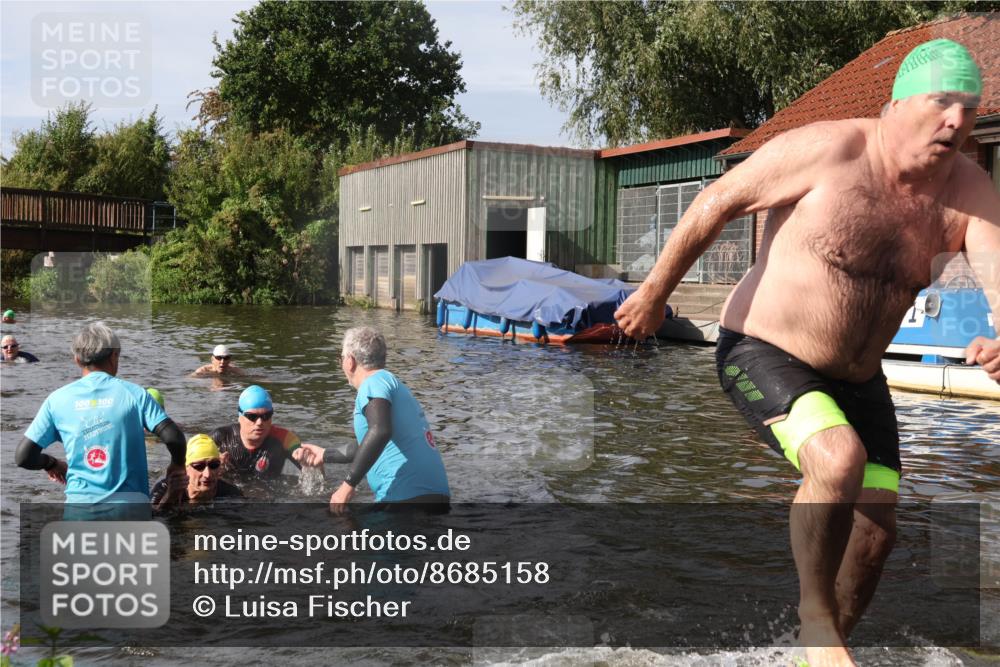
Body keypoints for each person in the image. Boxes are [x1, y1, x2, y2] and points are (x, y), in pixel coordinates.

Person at [613, 39, 999, 666]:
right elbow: (718, 202)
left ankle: (815, 656)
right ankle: (816, 620)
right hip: (763, 351)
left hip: (859, 377)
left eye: (970, 108)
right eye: (942, 103)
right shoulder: (828, 149)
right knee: (837, 459)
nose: (957, 121)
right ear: (897, 103)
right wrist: (655, 293)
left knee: (876, 532)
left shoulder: (967, 190)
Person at [14, 322, 187, 508]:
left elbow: (24, 457)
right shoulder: (135, 394)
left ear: (77, 360)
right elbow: (174, 437)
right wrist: (177, 465)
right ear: (114, 356)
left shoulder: (56, 400)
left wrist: (50, 463)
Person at [328, 327, 450, 513]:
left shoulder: (373, 383)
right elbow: (369, 444)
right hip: (435, 497)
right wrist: (324, 455)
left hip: (405, 500)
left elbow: (380, 431)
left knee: (333, 522)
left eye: (341, 358)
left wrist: (347, 486)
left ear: (350, 361)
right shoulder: (392, 383)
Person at [210, 385, 325, 482]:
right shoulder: (221, 437)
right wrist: (212, 466)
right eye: (252, 417)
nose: (259, 422)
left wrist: (313, 465)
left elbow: (319, 480)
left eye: (266, 416)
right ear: (240, 416)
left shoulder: (285, 438)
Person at [151, 434, 242, 506]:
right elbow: (150, 520)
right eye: (199, 466)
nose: (207, 474)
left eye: (214, 465)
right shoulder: (163, 489)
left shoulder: (231, 494)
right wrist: (170, 497)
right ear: (185, 468)